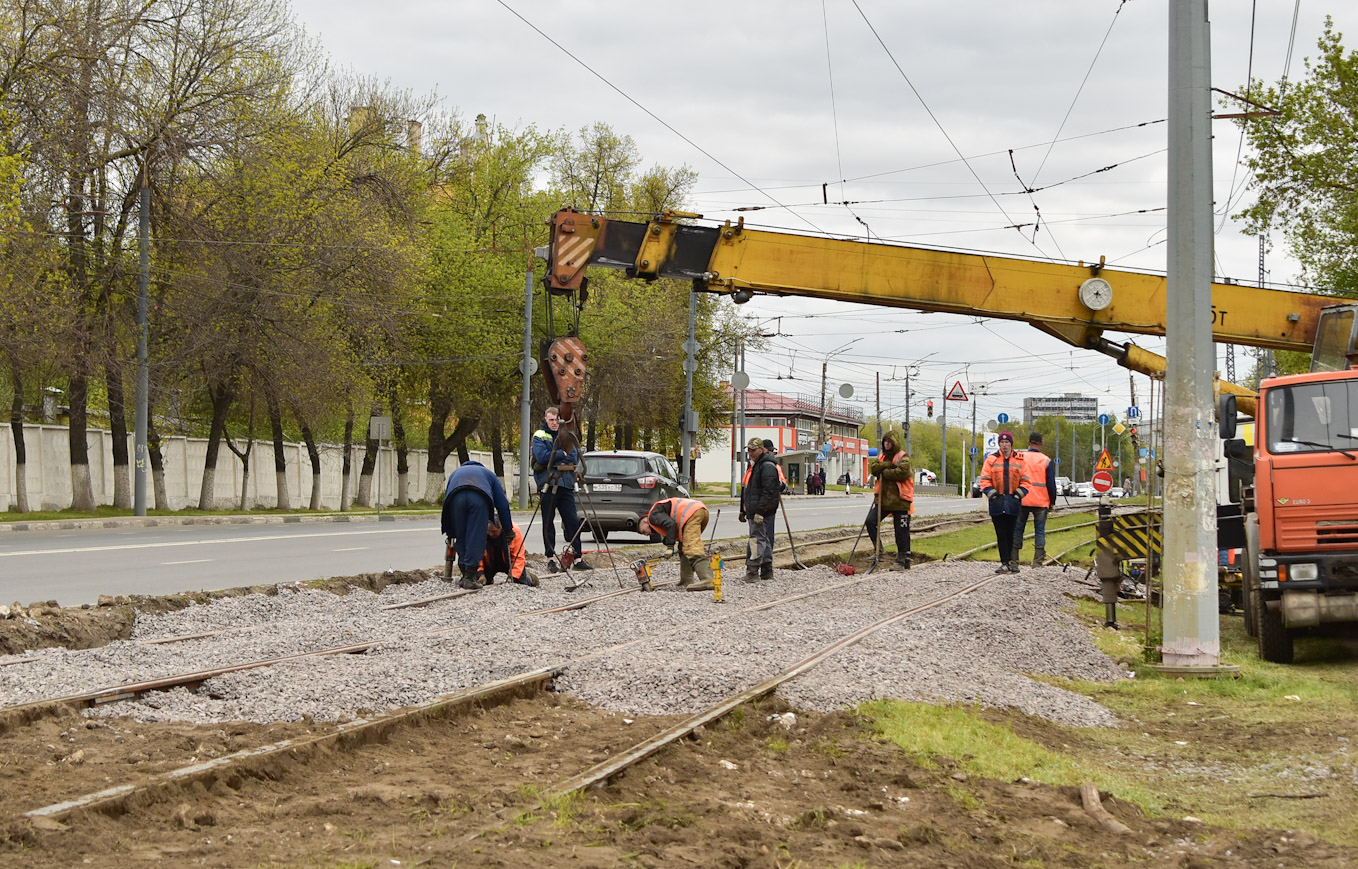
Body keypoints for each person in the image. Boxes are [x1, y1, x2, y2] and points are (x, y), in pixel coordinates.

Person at [531, 406, 589, 574]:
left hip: (566, 483)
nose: (554, 423)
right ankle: (550, 558)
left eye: (557, 420)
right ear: (545, 420)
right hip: (548, 483)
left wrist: (556, 454)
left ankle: (577, 557)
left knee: (572, 520)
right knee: (548, 521)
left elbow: (573, 456)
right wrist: (560, 454)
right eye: (551, 420)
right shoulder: (540, 436)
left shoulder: (567, 436)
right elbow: (541, 457)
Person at [441, 460, 514, 591]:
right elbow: (503, 504)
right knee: (475, 536)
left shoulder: (455, 473)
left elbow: (446, 501)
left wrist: (450, 530)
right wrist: (508, 528)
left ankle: (465, 575)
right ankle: (470, 577)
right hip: (479, 498)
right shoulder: (489, 474)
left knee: (461, 536)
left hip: (456, 499)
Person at [978, 431, 1031, 575]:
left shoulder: (1020, 460)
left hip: (1013, 503)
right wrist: (992, 495)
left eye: (1007, 442)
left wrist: (1017, 496)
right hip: (997, 502)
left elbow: (1026, 481)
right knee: (1001, 534)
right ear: (999, 444)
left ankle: (1012, 562)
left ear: (1011, 444)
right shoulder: (991, 459)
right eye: (1002, 442)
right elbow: (984, 480)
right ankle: (1004, 562)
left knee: (1012, 533)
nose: (1005, 445)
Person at [638, 497, 717, 591]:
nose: (646, 534)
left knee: (691, 546)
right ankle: (686, 580)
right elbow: (670, 528)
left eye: (643, 531)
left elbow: (670, 524)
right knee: (683, 547)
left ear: (645, 521)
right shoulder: (659, 513)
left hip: (692, 513)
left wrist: (670, 547)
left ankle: (708, 580)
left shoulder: (653, 516)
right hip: (698, 511)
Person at [866, 430, 914, 570]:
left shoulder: (903, 457)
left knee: (901, 530)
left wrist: (885, 473)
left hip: (900, 501)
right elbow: (874, 468)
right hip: (884, 501)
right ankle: (879, 551)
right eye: (885, 442)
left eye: (889, 442)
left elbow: (903, 472)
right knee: (870, 521)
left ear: (894, 443)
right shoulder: (881, 457)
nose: (887, 444)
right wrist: (887, 466)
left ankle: (902, 558)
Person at [739, 437, 781, 581]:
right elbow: (749, 490)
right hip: (756, 510)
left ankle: (752, 572)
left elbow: (768, 491)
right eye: (749, 450)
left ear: (762, 449)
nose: (751, 453)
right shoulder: (757, 465)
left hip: (761, 511)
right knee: (765, 540)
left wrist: (760, 511)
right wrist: (744, 509)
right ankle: (767, 572)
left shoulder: (766, 466)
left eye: (753, 450)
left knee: (756, 540)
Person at [1014, 431, 1056, 567]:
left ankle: (1014, 560)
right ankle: (1037, 561)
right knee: (1039, 530)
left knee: (1017, 529)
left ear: (1029, 442)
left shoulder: (1020, 458)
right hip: (1041, 501)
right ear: (1041, 443)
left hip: (1021, 499)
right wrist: (1052, 501)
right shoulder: (1046, 460)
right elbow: (1051, 484)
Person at [480, 520, 537, 587]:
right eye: (488, 531)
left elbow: (519, 556)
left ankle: (529, 577)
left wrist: (513, 576)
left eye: (494, 532)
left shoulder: (513, 531)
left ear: (500, 528)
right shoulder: (480, 531)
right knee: (479, 582)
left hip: (510, 562)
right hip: (489, 562)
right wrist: (480, 573)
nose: (491, 534)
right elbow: (477, 556)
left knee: (520, 583)